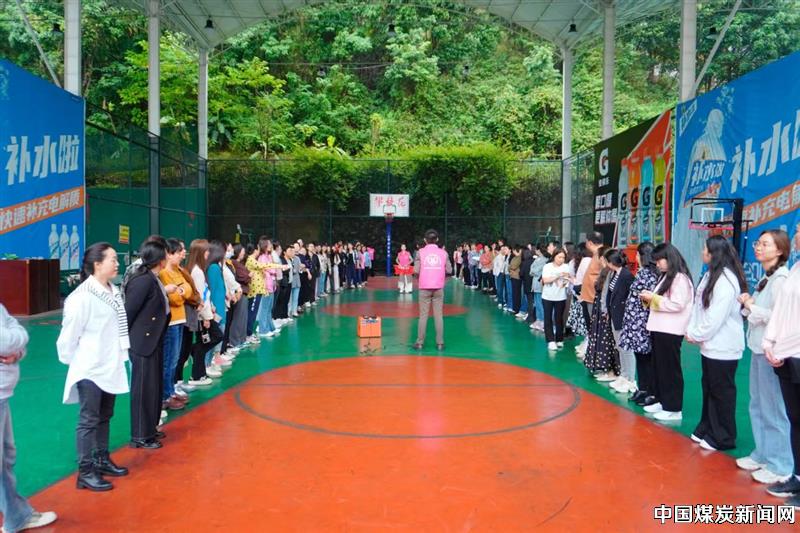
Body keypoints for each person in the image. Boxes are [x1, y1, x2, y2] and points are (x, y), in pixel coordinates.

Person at [57, 242, 130, 491]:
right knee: (89, 419)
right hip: (90, 367)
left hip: (110, 363)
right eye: (112, 259)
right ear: (97, 264)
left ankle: (101, 459)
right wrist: (79, 360)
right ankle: (85, 472)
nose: (117, 263)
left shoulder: (113, 290)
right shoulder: (81, 297)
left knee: (105, 415)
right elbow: (68, 338)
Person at [737, 230, 793, 484]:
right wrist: (749, 305)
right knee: (758, 404)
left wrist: (751, 306)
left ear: (779, 250)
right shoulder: (768, 278)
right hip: (757, 347)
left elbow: (776, 316)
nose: (758, 248)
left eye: (765, 244)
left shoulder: (782, 280)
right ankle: (762, 453)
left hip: (771, 351)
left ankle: (780, 464)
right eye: (758, 244)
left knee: (773, 409)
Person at [0, 303, 58, 530]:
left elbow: (16, 333)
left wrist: (16, 351)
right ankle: (17, 517)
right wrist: (14, 341)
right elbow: (7, 340)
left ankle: (17, 516)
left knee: (6, 457)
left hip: (3, 392)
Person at [685, 235, 747, 438]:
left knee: (722, 392)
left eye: (705, 249)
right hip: (710, 345)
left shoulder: (726, 281)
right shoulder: (710, 275)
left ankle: (724, 436)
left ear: (714, 253)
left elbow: (715, 317)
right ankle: (707, 426)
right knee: (709, 388)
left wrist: (697, 333)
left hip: (723, 346)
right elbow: (698, 307)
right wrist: (692, 330)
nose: (702, 252)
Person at [762, 256, 800, 508]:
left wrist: (781, 347)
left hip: (792, 351)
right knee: (795, 418)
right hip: (787, 354)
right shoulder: (796, 268)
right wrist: (770, 341)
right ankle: (797, 476)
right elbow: (781, 311)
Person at [125, 240, 171, 449]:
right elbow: (129, 312)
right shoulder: (142, 280)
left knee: (153, 386)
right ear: (160, 260)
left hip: (154, 339)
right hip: (142, 342)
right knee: (143, 389)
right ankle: (140, 435)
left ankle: (150, 428)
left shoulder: (153, 278)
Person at [640, 243, 694, 420]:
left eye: (659, 260)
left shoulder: (680, 279)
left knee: (670, 369)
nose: (657, 264)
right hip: (659, 328)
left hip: (670, 331)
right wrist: (650, 298)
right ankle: (661, 400)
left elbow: (677, 304)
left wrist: (653, 298)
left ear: (669, 258)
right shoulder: (666, 277)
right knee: (659, 367)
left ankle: (673, 407)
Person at [619, 242, 660, 406]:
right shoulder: (643, 272)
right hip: (635, 322)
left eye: (637, 254)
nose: (635, 257)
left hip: (641, 323)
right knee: (640, 356)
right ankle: (642, 388)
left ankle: (649, 390)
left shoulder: (649, 275)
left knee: (645, 358)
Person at [158, 239, 191, 411]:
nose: (182, 255)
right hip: (170, 321)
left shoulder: (178, 271)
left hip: (180, 319)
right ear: (169, 255)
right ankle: (165, 396)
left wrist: (181, 291)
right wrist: (181, 294)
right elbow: (174, 299)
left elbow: (188, 289)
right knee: (169, 361)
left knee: (175, 358)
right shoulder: (164, 273)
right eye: (178, 252)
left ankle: (170, 391)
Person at [413, 230, 452, 351]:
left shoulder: (420, 252)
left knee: (423, 316)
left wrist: (420, 278)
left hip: (424, 287)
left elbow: (416, 271)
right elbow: (449, 270)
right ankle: (440, 343)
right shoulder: (443, 253)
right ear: (437, 240)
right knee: (438, 316)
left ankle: (420, 343)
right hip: (438, 288)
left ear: (425, 240)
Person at [605, 248, 636, 395]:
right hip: (614, 314)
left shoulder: (626, 276)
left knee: (626, 349)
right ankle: (623, 375)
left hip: (623, 316)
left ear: (611, 262)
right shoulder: (615, 274)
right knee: (619, 346)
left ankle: (630, 378)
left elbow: (631, 297)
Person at [577, 232, 604, 358]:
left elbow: (605, 274)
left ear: (590, 243)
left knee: (595, 326)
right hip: (589, 296)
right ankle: (591, 351)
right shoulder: (596, 254)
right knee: (592, 325)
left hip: (594, 297)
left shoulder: (602, 254)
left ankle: (595, 354)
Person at [541, 248, 571, 350]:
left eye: (563, 257)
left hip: (561, 297)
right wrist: (558, 276)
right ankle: (550, 340)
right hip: (547, 296)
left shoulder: (566, 267)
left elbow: (566, 282)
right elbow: (545, 280)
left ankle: (559, 339)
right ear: (554, 256)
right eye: (559, 257)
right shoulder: (547, 266)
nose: (561, 259)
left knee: (559, 318)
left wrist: (564, 281)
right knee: (548, 318)